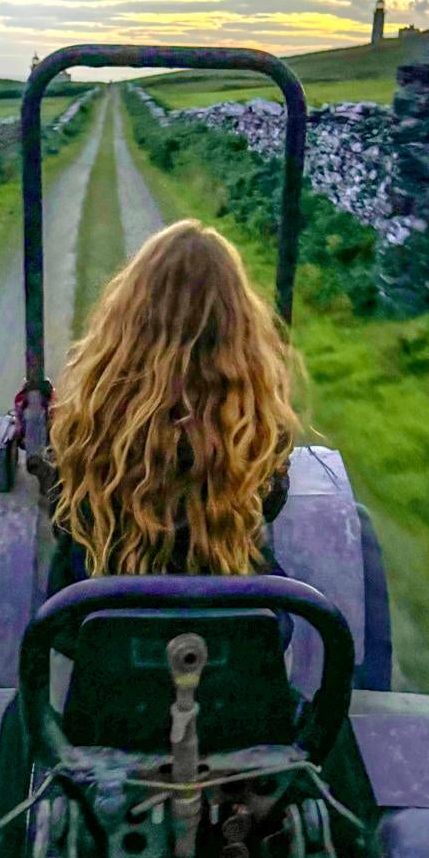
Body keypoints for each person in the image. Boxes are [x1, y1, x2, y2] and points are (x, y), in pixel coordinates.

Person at [43, 218, 300, 596]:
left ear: (128, 318)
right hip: (231, 615)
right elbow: (272, 502)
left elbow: (63, 507)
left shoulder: (88, 412)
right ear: (239, 325)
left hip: (97, 609)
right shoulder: (256, 423)